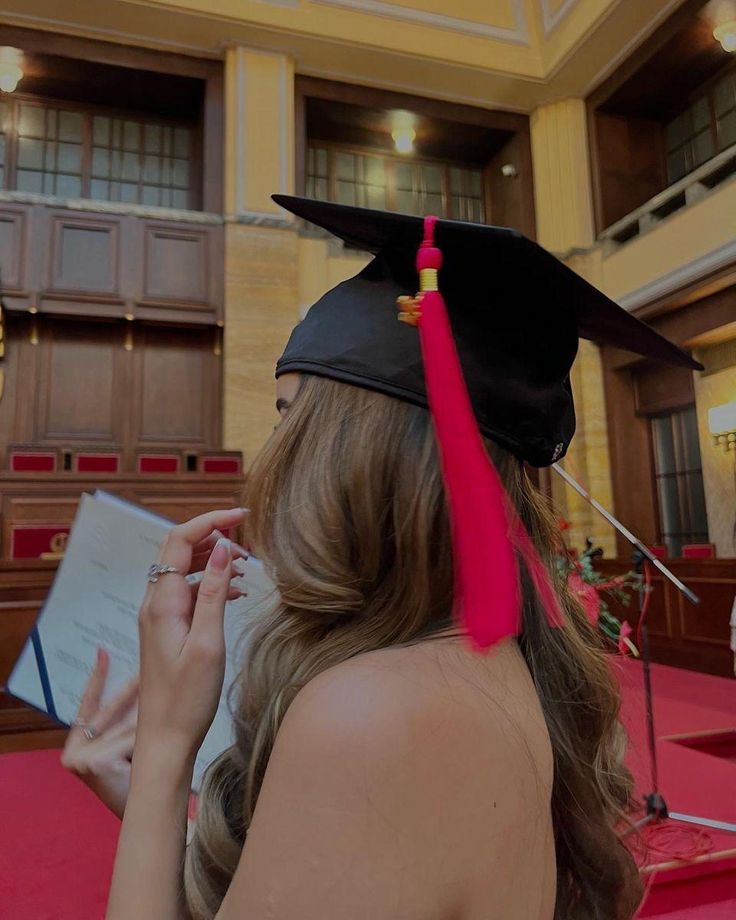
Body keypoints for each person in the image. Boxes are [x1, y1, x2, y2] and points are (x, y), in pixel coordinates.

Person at [62, 197, 701, 920]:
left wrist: (162, 757)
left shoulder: (376, 714)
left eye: (289, 415)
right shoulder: (474, 660)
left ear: (351, 448)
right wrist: (149, 798)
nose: (277, 454)